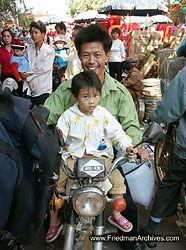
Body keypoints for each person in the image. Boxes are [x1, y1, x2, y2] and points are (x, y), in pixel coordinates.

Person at [44, 24, 149, 250]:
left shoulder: (120, 93)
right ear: (79, 56)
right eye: (85, 55)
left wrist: (136, 147)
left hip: (104, 160)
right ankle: (53, 227)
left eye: (97, 54)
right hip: (72, 158)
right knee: (50, 193)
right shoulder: (65, 90)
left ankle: (130, 241)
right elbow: (48, 119)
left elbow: (130, 127)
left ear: (107, 56)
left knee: (126, 202)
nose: (91, 60)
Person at [46, 70, 137, 242]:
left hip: (100, 157)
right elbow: (60, 136)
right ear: (75, 96)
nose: (92, 101)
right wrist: (54, 143)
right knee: (55, 185)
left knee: (117, 180)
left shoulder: (103, 114)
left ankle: (116, 215)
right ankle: (54, 220)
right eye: (86, 97)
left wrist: (128, 147)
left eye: (95, 95)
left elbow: (118, 133)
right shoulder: (68, 116)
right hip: (74, 157)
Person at [141, 65, 186, 248]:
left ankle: (151, 230)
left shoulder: (185, 76)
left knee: (170, 183)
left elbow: (170, 109)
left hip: (185, 151)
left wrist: (156, 116)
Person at [21, 21, 55, 106]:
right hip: (28, 89)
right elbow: (23, 64)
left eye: (36, 32)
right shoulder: (28, 50)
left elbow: (44, 68)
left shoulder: (49, 50)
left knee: (41, 115)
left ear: (43, 34)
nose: (33, 35)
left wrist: (27, 74)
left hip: (43, 88)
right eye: (32, 33)